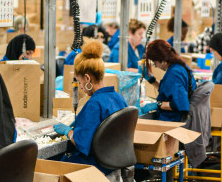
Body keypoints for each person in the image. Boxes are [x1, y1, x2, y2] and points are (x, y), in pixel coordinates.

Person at [53, 41, 127, 175]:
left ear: (87, 78)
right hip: (114, 161)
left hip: (95, 164)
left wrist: (68, 131)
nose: (80, 86)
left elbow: (81, 143)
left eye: (79, 81)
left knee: (53, 164)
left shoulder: (94, 104)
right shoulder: (118, 97)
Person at [140, 40, 197, 122]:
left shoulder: (174, 73)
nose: (155, 66)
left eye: (154, 63)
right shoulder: (178, 67)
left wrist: (158, 104)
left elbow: (181, 104)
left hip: (173, 121)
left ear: (162, 60)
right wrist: (151, 80)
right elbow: (169, 90)